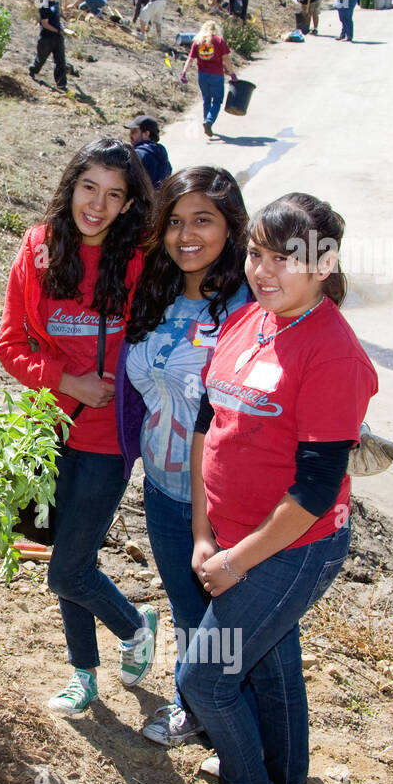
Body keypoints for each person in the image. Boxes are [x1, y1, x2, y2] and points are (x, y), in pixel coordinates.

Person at [179, 193, 378, 784]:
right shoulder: (248, 320)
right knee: (271, 670)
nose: (263, 271)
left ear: (324, 265)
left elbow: (317, 490)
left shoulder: (332, 352)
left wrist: (236, 562)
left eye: (284, 258)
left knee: (204, 680)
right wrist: (203, 535)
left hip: (292, 548)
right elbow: (208, 426)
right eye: (256, 253)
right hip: (231, 538)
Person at [0, 137, 160, 715]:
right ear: (71, 186)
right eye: (89, 187)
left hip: (107, 438)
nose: (97, 205)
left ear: (128, 205)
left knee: (66, 568)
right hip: (47, 427)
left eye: (115, 195)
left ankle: (135, 626)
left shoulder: (140, 257)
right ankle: (83, 674)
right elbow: (10, 344)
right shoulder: (39, 248)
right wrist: (69, 381)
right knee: (69, 557)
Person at [119, 166, 250, 748]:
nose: (186, 234)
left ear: (231, 228)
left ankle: (230, 726)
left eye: (204, 220)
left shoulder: (250, 306)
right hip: (163, 487)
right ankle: (190, 708)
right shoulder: (157, 293)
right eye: (175, 221)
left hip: (223, 499)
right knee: (185, 608)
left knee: (230, 624)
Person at [180, 20, 235, 138]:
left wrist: (184, 73)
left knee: (206, 99)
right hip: (216, 75)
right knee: (217, 101)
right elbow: (226, 59)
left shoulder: (198, 42)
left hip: (202, 75)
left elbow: (190, 59)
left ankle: (206, 121)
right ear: (215, 29)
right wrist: (232, 74)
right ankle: (209, 121)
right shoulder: (219, 41)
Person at [30, 0, 74, 91]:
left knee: (60, 61)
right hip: (46, 38)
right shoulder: (44, 5)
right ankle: (33, 69)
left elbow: (57, 19)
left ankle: (61, 84)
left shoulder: (56, 4)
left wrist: (62, 28)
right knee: (41, 59)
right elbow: (45, 23)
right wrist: (57, 31)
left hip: (58, 38)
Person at [125, 114, 172, 188]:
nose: (130, 135)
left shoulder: (138, 155)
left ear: (146, 133)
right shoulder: (164, 159)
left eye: (134, 131)